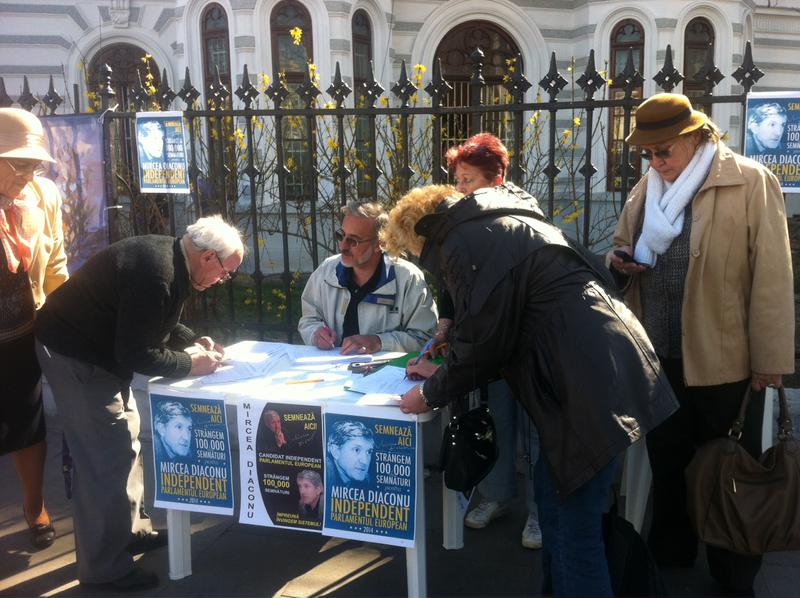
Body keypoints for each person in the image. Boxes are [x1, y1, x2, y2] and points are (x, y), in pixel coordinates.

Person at [383, 183, 677, 598]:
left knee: (575, 531)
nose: (425, 263)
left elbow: (484, 342)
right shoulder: (502, 222)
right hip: (600, 368)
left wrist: (430, 393)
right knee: (559, 512)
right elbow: (497, 325)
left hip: (584, 386)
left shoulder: (462, 239)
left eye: (415, 253)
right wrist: (445, 366)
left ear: (419, 235)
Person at [608, 93, 794, 595]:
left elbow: (773, 278)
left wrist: (770, 361)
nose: (656, 162)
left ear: (695, 137)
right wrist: (620, 263)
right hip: (659, 356)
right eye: (648, 153)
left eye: (664, 150)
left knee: (727, 468)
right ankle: (672, 552)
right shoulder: (647, 187)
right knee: (669, 463)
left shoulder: (750, 181)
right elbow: (621, 243)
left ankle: (734, 571)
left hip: (725, 361)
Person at [34, 214, 244, 591]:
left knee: (126, 438)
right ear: (209, 257)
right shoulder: (158, 273)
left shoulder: (172, 259)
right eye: (226, 272)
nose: (222, 281)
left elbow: (153, 320)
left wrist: (192, 340)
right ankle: (105, 568)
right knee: (105, 458)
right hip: (75, 354)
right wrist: (190, 364)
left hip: (96, 350)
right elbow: (135, 351)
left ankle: (130, 532)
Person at [438, 132, 542, 549]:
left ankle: (539, 512)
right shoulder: (463, 221)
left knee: (536, 432)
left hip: (531, 346)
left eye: (469, 180)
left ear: (495, 179)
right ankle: (496, 497)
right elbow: (454, 279)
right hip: (491, 347)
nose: (461, 188)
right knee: (496, 420)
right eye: (458, 180)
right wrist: (446, 321)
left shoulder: (520, 213)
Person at [0, 107, 69, 551]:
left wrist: (67, 322)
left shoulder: (44, 196)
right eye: (18, 163)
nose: (29, 173)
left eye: (34, 164)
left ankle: (33, 505)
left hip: (22, 330)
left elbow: (57, 266)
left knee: (27, 424)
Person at [298, 200, 437, 355]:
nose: (342, 246)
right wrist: (315, 333)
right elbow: (308, 320)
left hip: (384, 375)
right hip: (331, 373)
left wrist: (378, 341)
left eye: (353, 241)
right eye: (341, 235)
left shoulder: (408, 278)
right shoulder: (327, 271)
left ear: (380, 243)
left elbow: (426, 338)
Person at [326, 421, 375, 487]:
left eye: (369, 452)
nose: (365, 461)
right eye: (356, 450)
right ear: (336, 451)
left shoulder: (367, 480)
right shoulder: (326, 473)